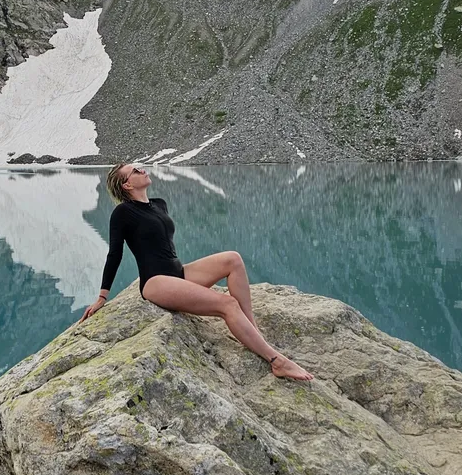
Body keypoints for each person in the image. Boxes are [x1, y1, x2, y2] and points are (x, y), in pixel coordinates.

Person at [79, 163, 314, 382]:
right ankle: (277, 361)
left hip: (178, 272)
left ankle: (252, 331)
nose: (143, 170)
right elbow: (115, 254)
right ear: (127, 185)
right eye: (136, 171)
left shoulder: (159, 204)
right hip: (155, 282)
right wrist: (102, 297)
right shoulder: (122, 212)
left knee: (233, 259)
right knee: (227, 304)